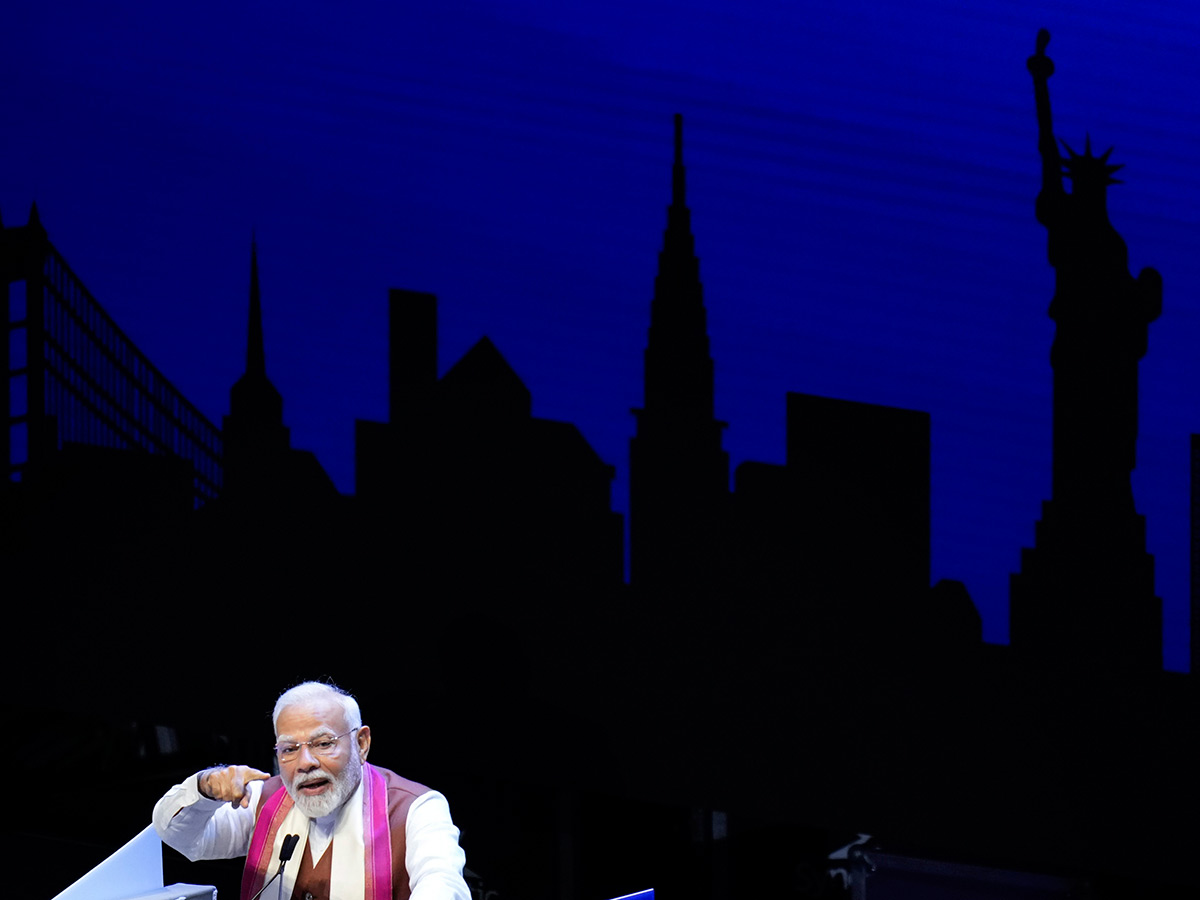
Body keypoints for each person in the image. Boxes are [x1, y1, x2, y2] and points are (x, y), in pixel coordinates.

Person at [153, 681, 470, 900]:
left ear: (361, 744)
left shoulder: (415, 808)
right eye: (289, 749)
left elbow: (443, 885)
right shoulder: (264, 799)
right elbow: (181, 837)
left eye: (323, 743)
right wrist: (204, 788)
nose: (304, 763)